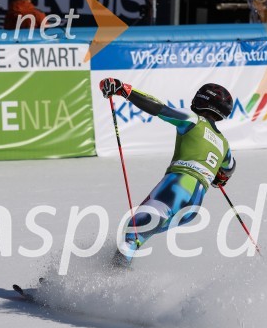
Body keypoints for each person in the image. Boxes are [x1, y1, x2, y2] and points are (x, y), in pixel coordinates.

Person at [99, 78, 237, 267]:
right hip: (194, 204)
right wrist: (219, 178)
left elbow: (160, 109)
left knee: (135, 231)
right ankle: (116, 274)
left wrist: (124, 90)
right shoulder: (224, 143)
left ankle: (109, 284)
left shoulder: (194, 121)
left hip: (177, 187)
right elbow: (228, 169)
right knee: (141, 233)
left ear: (201, 101)